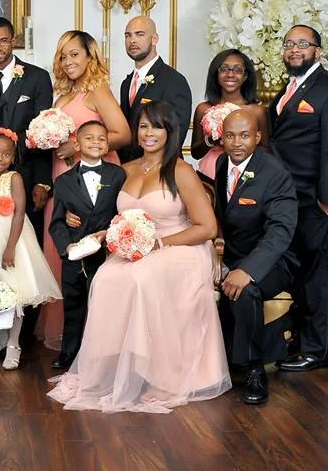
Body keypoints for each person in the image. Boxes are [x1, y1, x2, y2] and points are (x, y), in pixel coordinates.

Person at [48, 101, 230, 414]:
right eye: (144, 126)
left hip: (179, 248)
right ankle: (118, 366)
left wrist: (160, 243)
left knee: (140, 279)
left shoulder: (181, 172)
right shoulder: (125, 170)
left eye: (156, 126)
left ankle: (161, 373)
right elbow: (103, 211)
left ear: (169, 131)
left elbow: (207, 227)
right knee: (105, 279)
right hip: (135, 248)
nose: (148, 133)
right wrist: (86, 225)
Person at [269, 24, 328, 373]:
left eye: (302, 44)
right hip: (289, 198)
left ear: (318, 51)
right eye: (289, 44)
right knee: (299, 275)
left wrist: (324, 202)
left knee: (317, 278)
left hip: (317, 200)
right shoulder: (287, 89)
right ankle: (298, 343)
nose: (294, 49)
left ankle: (317, 351)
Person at [39, 30, 131, 351]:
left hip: (93, 175)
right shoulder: (62, 96)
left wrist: (78, 148)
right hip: (63, 177)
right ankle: (71, 335)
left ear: (90, 56)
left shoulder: (98, 91)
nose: (68, 61)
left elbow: (121, 133)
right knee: (64, 242)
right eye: (63, 56)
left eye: (75, 54)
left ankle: (99, 336)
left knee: (93, 248)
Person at [0, 17, 54, 347]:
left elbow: (46, 134)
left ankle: (23, 337)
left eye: (3, 41)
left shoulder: (36, 78)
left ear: (14, 40)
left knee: (22, 252)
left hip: (27, 178)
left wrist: (44, 183)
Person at [215, 110, 298, 404]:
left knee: (245, 290)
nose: (237, 143)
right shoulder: (223, 163)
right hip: (235, 254)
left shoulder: (275, 173)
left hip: (276, 260)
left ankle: (254, 369)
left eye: (245, 135)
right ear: (221, 137)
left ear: (258, 137)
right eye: (230, 135)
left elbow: (280, 233)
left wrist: (247, 270)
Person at [0, 128, 62, 370]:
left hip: (12, 244)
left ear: (12, 157)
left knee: (15, 292)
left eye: (6, 154)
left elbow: (19, 214)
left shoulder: (14, 178)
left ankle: (13, 345)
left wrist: (10, 248)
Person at [47, 121, 126, 370]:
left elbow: (124, 212)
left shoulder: (118, 175)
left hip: (107, 254)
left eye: (101, 139)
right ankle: (69, 353)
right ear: (77, 145)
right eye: (89, 138)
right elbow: (57, 222)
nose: (96, 143)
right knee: (73, 305)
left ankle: (103, 355)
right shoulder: (63, 181)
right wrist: (68, 248)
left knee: (105, 305)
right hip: (75, 255)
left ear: (107, 144)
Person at [118, 16, 192, 162]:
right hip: (130, 170)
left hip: (162, 169)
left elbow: (176, 133)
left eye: (139, 34)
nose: (132, 40)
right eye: (128, 35)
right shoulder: (126, 83)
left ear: (154, 39)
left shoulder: (174, 80)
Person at [190, 49, 269, 181]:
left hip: (245, 173)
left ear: (245, 76)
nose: (230, 74)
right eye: (224, 69)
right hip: (210, 172)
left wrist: (239, 143)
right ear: (216, 74)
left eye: (237, 70)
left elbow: (266, 150)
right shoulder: (203, 109)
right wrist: (212, 139)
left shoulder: (256, 111)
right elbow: (195, 153)